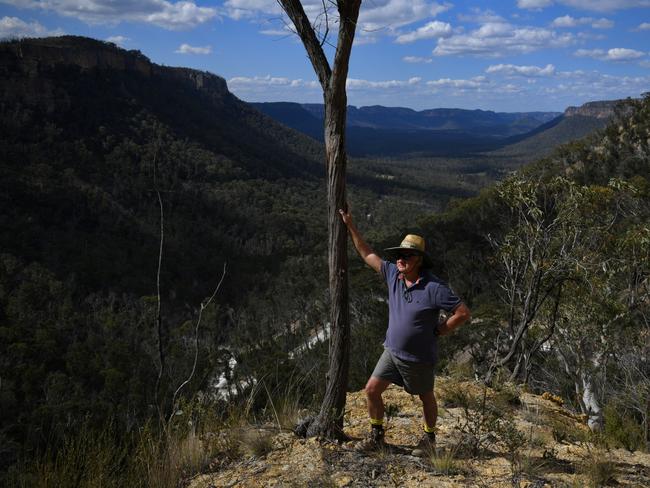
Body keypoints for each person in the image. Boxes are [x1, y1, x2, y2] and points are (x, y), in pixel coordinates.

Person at [339, 207, 471, 456]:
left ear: (419, 260)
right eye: (399, 255)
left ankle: (429, 439)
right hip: (392, 352)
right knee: (371, 390)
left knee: (426, 397)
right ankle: (377, 436)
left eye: (408, 256)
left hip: (419, 358)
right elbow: (367, 254)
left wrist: (442, 330)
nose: (401, 259)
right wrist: (350, 226)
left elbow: (463, 313)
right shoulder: (393, 274)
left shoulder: (434, 287)